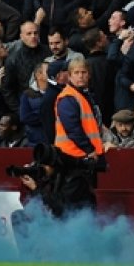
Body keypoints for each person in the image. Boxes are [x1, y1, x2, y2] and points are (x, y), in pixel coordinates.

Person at [52, 59, 104, 210]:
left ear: (89, 75)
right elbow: (73, 129)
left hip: (83, 159)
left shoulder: (84, 96)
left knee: (86, 204)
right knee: (74, 206)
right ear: (69, 76)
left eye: (84, 72)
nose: (80, 76)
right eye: (76, 73)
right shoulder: (68, 97)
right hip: (72, 159)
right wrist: (90, 149)